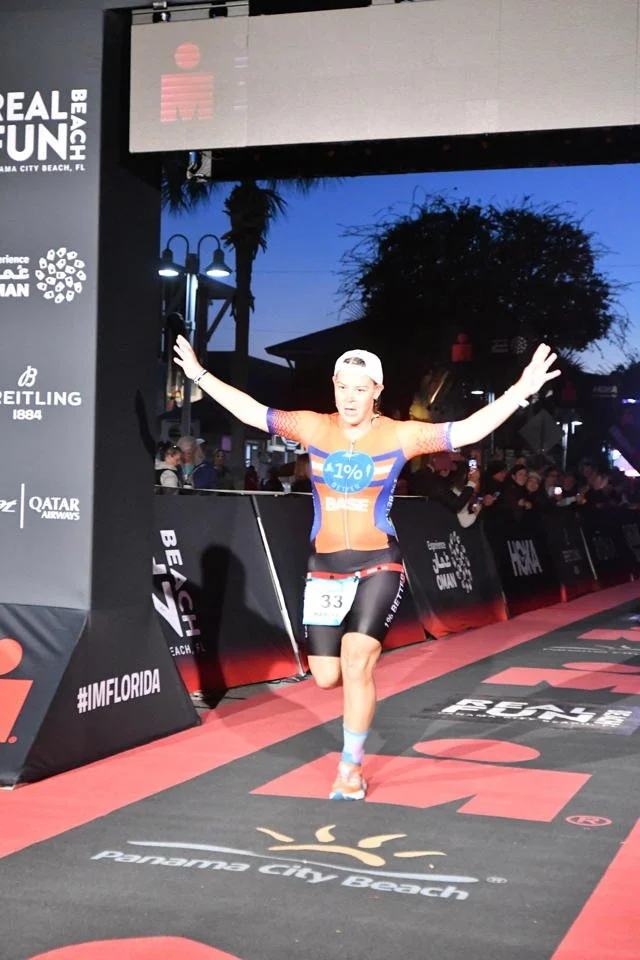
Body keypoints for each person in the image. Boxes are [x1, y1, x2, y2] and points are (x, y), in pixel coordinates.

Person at [174, 335, 559, 800]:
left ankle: (350, 767)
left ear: (377, 389)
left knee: (357, 660)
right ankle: (353, 722)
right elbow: (252, 411)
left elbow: (469, 430)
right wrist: (198, 374)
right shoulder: (314, 427)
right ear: (333, 386)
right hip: (325, 567)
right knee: (325, 676)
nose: (350, 397)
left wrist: (521, 390)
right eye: (343, 386)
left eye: (361, 388)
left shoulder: (400, 433)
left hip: (379, 563)